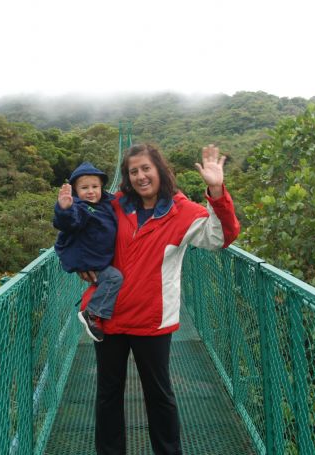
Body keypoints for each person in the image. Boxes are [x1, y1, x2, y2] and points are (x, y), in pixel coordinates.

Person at [78, 143, 240, 455]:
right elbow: (83, 231)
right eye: (133, 171)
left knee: (159, 396)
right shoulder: (115, 204)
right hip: (108, 319)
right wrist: (80, 262)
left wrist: (216, 190)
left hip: (152, 321)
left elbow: (221, 237)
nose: (140, 176)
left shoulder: (183, 212)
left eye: (145, 169)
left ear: (159, 170)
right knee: (108, 395)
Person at [53, 162, 123, 342]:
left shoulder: (106, 203)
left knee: (111, 278)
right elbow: (68, 223)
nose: (90, 191)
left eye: (95, 187)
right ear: (76, 191)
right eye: (84, 188)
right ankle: (92, 313)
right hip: (87, 260)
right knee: (114, 278)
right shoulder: (81, 207)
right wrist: (65, 209)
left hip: (97, 257)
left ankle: (95, 312)